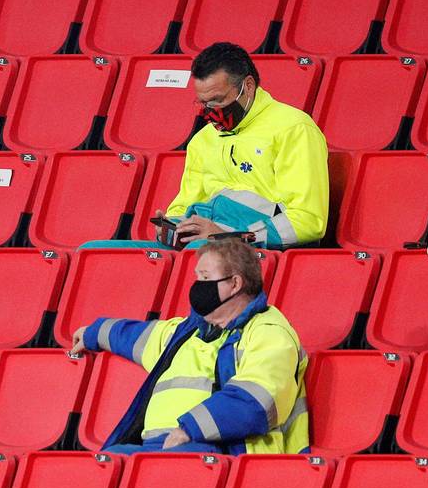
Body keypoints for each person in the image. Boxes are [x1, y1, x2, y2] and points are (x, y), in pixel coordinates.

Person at [70, 238, 309, 454]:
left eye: (205, 277)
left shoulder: (269, 330)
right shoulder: (187, 331)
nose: (197, 285)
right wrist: (92, 332)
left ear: (235, 283)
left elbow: (258, 400)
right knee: (110, 461)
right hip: (157, 448)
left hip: (220, 450)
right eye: (197, 278)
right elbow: (136, 336)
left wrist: (190, 428)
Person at [89, 42, 329, 250]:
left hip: (254, 249)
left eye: (218, 100)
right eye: (204, 103)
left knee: (200, 249)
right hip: (205, 245)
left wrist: (227, 237)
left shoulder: (294, 128)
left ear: (248, 86)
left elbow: (308, 221)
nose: (211, 111)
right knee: (94, 251)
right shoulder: (203, 140)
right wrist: (172, 228)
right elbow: (184, 205)